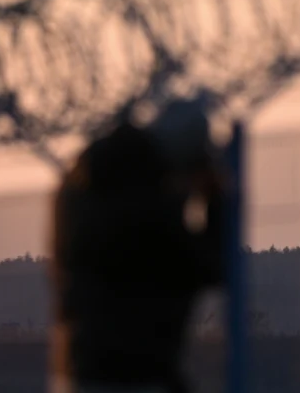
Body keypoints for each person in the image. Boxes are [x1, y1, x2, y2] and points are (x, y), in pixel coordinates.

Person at [48, 93, 226, 393]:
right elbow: (208, 267)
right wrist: (214, 200)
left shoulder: (83, 182)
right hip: (136, 374)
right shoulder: (150, 209)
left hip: (77, 367)